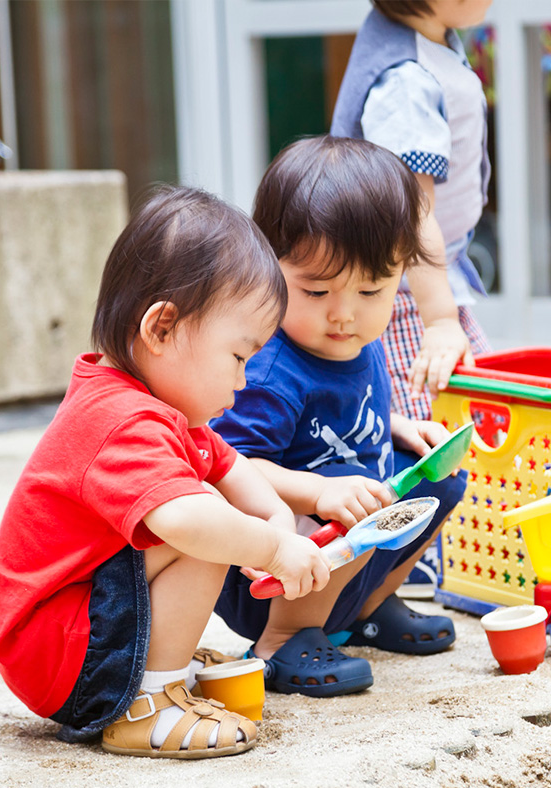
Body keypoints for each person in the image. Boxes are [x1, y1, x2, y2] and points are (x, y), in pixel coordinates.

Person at [0, 185, 332, 759]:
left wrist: (276, 519)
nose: (243, 381)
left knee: (214, 510)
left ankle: (152, 661)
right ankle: (145, 702)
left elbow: (231, 463)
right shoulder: (120, 420)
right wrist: (271, 548)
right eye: (238, 356)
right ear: (162, 328)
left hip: (73, 628)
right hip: (59, 653)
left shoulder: (159, 403)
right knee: (201, 522)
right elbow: (190, 520)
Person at [212, 136, 468, 698]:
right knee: (354, 501)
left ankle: (367, 611)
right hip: (271, 575)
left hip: (348, 552)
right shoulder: (271, 369)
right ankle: (283, 641)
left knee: (440, 477)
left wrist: (401, 427)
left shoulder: (356, 340)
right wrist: (316, 493)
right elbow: (226, 469)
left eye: (372, 289)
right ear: (269, 266)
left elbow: (357, 416)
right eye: (317, 288)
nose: (343, 313)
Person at [330, 0, 493, 421]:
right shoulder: (405, 81)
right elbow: (411, 214)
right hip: (403, 297)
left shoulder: (429, 38)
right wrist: (439, 322)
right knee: (442, 431)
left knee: (481, 410)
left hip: (426, 280)